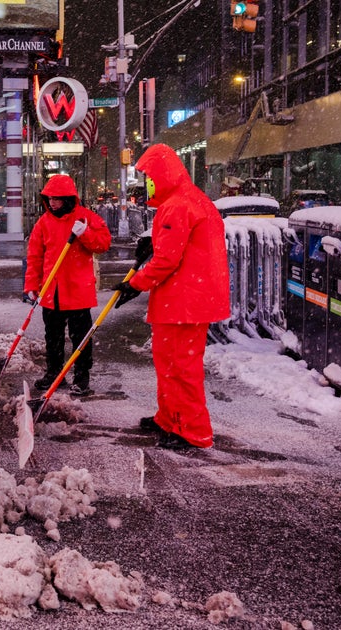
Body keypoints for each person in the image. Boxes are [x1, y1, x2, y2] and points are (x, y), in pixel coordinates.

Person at [112, 144, 229, 450]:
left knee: (181, 368)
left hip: (184, 301)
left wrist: (135, 284)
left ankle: (192, 431)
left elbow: (167, 260)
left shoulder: (177, 204)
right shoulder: (192, 199)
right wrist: (153, 243)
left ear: (162, 175)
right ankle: (169, 418)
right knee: (169, 364)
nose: (148, 184)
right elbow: (181, 244)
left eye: (150, 177)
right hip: (187, 299)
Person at [24, 174, 112, 397]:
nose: (52, 203)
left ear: (68, 199)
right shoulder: (44, 222)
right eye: (49, 198)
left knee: (80, 337)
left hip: (77, 290)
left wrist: (85, 234)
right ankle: (54, 373)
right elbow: (35, 256)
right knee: (52, 336)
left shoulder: (85, 218)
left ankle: (81, 377)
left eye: (56, 198)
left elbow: (103, 244)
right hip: (51, 290)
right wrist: (31, 285)